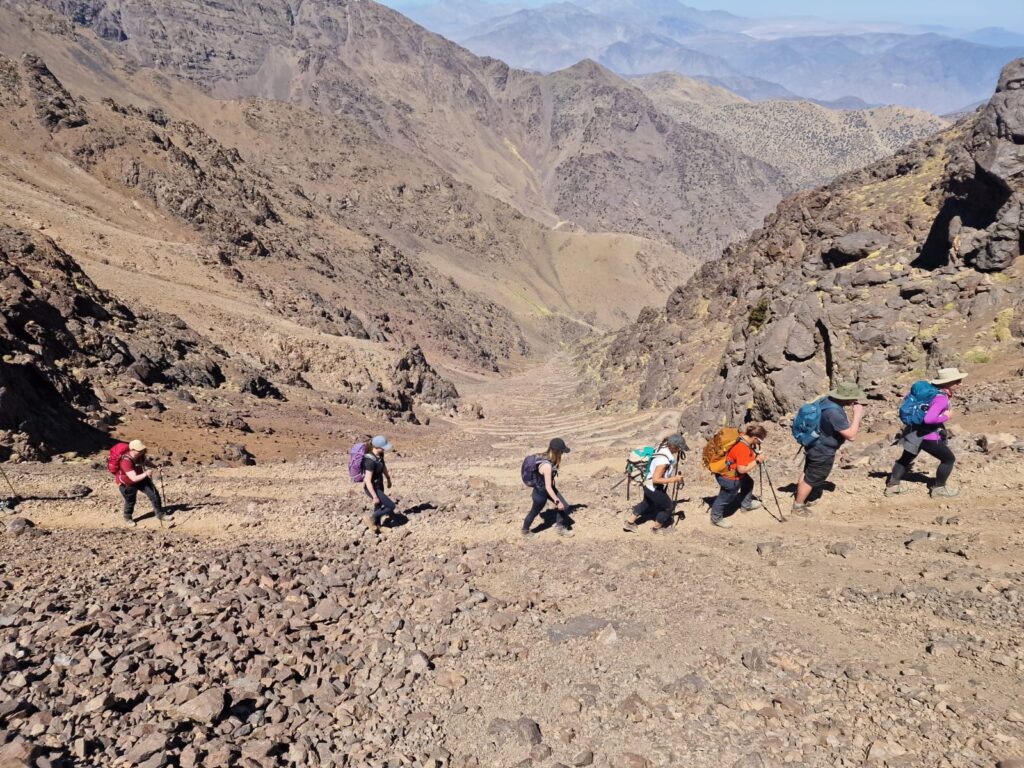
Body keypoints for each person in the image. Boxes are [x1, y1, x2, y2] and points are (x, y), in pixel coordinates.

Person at [885, 368, 967, 498]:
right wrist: (946, 416)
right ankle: (939, 488)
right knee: (948, 459)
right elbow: (929, 419)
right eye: (957, 381)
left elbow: (907, 397)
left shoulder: (926, 391)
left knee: (905, 459)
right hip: (927, 436)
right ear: (948, 383)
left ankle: (892, 486)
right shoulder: (941, 398)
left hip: (913, 432)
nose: (960, 384)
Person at [791, 382, 866, 516]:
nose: (854, 400)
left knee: (809, 471)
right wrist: (857, 415)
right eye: (853, 398)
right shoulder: (833, 412)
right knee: (813, 477)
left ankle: (802, 495)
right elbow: (851, 435)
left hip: (814, 443)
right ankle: (798, 505)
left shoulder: (826, 401)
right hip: (822, 449)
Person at [622, 434, 687, 535]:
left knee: (647, 503)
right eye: (679, 449)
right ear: (674, 447)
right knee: (668, 507)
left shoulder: (663, 446)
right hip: (654, 487)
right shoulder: (664, 461)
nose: (679, 451)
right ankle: (656, 529)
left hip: (647, 484)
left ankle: (629, 523)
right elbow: (656, 480)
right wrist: (674, 479)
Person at [709, 425, 766, 529]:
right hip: (729, 477)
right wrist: (757, 461)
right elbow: (742, 469)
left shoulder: (742, 437)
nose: (759, 444)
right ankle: (715, 518)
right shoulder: (742, 448)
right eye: (759, 442)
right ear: (755, 438)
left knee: (748, 482)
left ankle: (746, 504)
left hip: (731, 471)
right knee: (726, 497)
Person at [522, 438, 574, 538]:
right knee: (534, 512)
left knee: (565, 506)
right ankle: (525, 531)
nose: (562, 454)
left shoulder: (546, 457)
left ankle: (559, 527)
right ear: (557, 452)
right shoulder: (546, 466)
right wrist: (557, 501)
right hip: (540, 493)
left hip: (546, 488)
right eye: (562, 452)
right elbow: (548, 487)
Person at [116, 439, 164, 526]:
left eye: (142, 449)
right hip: (128, 483)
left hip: (141, 479)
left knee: (154, 495)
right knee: (130, 500)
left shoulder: (140, 455)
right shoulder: (125, 461)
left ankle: (159, 514)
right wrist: (146, 473)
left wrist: (155, 466)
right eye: (140, 450)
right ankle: (128, 517)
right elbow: (133, 478)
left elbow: (145, 462)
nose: (142, 451)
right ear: (132, 450)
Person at [362, 435, 396, 530]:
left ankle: (377, 526)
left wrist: (388, 479)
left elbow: (383, 467)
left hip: (379, 485)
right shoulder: (369, 461)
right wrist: (375, 496)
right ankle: (370, 518)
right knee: (391, 506)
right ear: (376, 447)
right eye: (383, 447)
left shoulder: (380, 456)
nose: (385, 449)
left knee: (378, 506)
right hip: (372, 488)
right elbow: (367, 480)